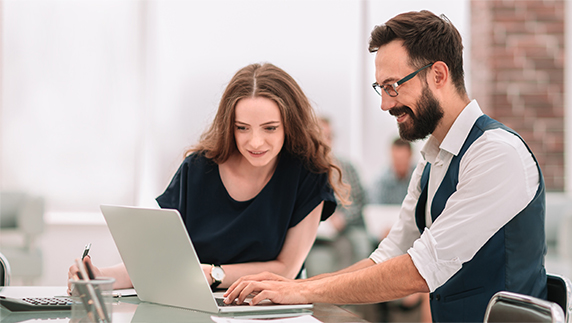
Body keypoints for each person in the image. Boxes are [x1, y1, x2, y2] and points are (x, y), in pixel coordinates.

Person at [224, 11, 547, 323]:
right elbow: (389, 255)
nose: (385, 103)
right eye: (381, 88)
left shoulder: (496, 154)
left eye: (394, 86)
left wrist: (303, 290)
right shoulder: (433, 160)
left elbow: (422, 267)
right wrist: (293, 288)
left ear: (438, 75)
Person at [67, 63, 347, 293]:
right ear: (230, 126)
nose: (255, 141)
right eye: (242, 128)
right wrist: (99, 277)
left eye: (270, 128)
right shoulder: (198, 169)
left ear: (289, 125)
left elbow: (286, 267)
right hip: (195, 303)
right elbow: (157, 261)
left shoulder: (309, 175)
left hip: (269, 305)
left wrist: (213, 274)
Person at [306, 117, 370, 275]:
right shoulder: (305, 169)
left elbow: (359, 202)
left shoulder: (346, 167)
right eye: (321, 136)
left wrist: (342, 218)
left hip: (346, 227)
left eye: (329, 136)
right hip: (316, 229)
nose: (325, 141)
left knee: (358, 245)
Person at [371, 137, 415, 205]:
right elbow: (377, 209)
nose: (399, 163)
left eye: (402, 158)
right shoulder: (381, 182)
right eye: (396, 159)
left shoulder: (420, 177)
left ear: (410, 155)